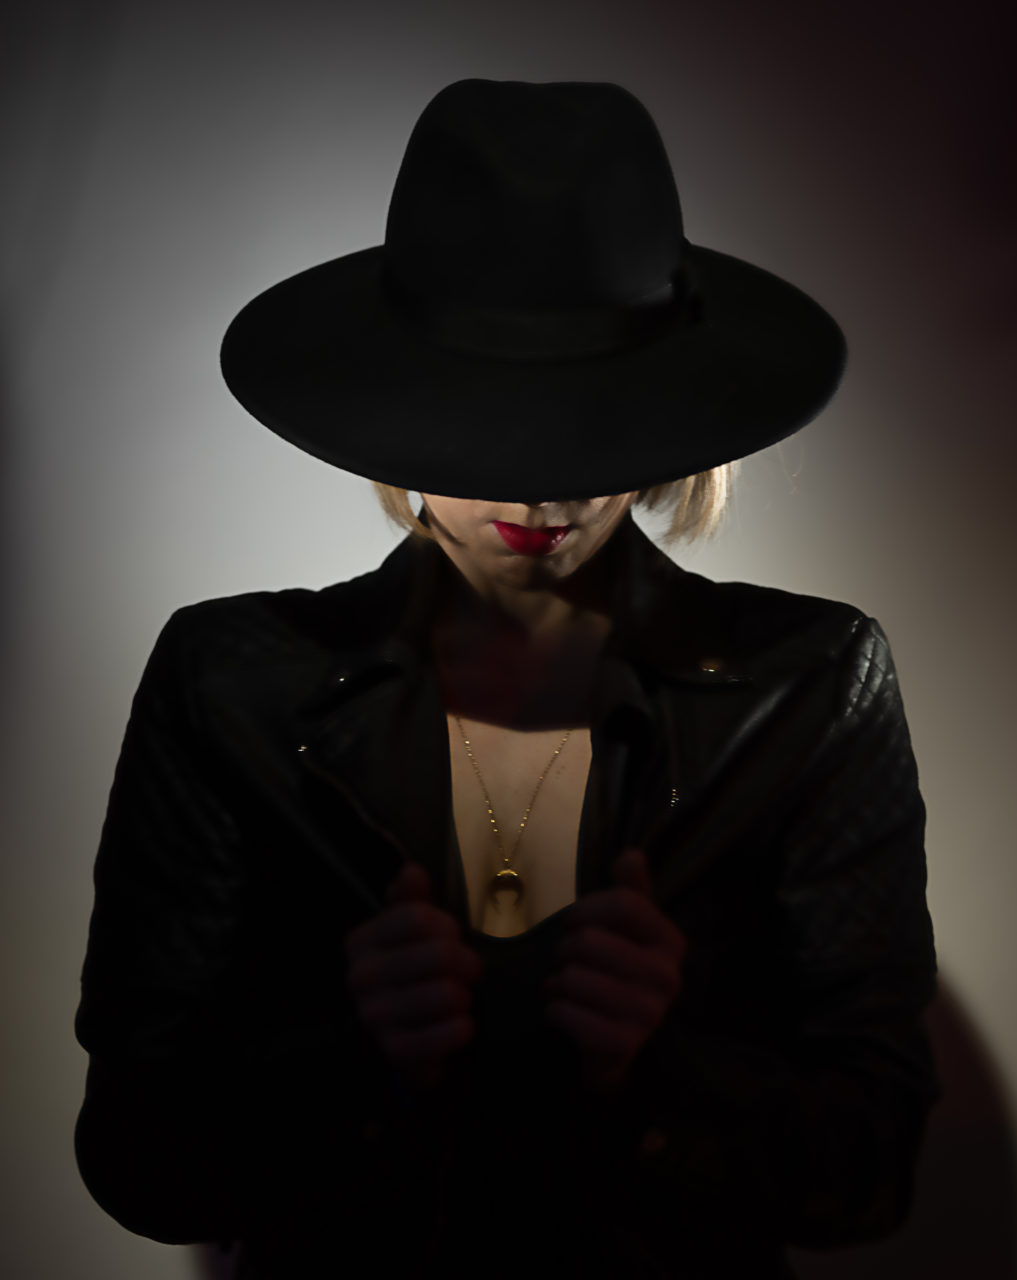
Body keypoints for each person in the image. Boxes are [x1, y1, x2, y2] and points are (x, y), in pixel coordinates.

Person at [73, 79, 941, 1280]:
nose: (542, 487)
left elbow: (874, 1171)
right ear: (398, 402)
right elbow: (137, 1155)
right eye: (488, 418)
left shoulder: (808, 687)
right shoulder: (231, 686)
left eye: (591, 424)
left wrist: (664, 1066)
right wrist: (349, 1054)